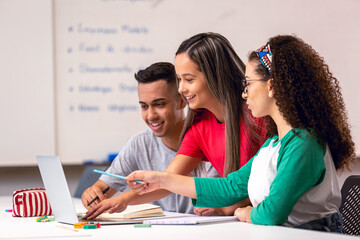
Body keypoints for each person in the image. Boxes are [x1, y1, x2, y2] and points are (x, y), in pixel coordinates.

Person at [126, 35, 356, 232]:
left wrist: (245, 212)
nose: (244, 94)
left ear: (271, 86)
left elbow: (271, 213)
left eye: (248, 84)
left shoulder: (303, 143)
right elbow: (231, 187)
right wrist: (161, 180)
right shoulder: (273, 144)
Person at [83, 33, 265, 220]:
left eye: (189, 79)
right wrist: (122, 200)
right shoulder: (199, 126)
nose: (181, 89)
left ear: (214, 76)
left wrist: (232, 206)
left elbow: (275, 181)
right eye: (179, 79)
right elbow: (168, 180)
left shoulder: (259, 114)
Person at [81, 62, 220, 214]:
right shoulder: (139, 144)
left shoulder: (208, 139)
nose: (151, 116)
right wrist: (93, 193)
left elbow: (222, 196)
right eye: (144, 106)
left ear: (182, 101)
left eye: (159, 105)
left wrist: (124, 199)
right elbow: (103, 188)